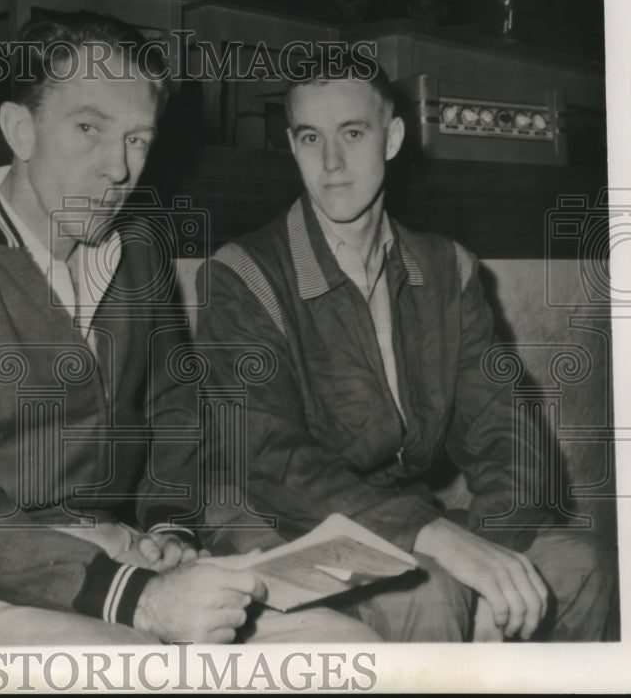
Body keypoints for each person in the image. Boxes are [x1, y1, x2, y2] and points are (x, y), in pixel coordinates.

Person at [0, 12, 378, 646]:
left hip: (126, 553)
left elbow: (172, 407)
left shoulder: (138, 251)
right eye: (88, 129)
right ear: (20, 130)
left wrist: (172, 529)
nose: (119, 169)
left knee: (342, 648)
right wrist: (137, 597)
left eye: (137, 139)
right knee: (137, 671)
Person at [190, 57, 616, 642]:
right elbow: (271, 461)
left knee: (583, 565)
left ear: (391, 138)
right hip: (277, 526)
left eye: (353, 133)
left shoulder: (447, 269)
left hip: (398, 520)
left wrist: (486, 547)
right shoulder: (242, 275)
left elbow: (506, 430)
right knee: (428, 591)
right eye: (311, 138)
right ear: (291, 145)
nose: (331, 163)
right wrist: (436, 541)